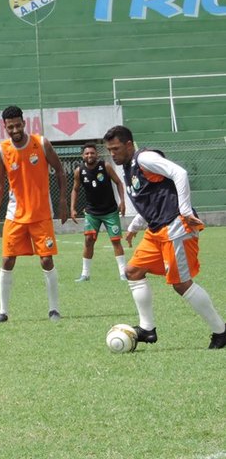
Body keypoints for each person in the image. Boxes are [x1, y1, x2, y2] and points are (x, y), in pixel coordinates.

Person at [103, 125, 226, 349]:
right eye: (109, 149)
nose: (112, 154)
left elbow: (180, 173)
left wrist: (186, 210)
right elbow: (151, 198)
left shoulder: (145, 158)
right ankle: (147, 329)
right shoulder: (129, 168)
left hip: (175, 226)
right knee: (133, 271)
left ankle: (221, 331)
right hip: (156, 230)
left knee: (181, 284)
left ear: (129, 145)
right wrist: (134, 225)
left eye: (116, 148)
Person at [0, 105, 68, 323]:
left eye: (18, 125)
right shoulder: (0, 150)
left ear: (24, 123)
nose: (15, 129)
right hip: (14, 215)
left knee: (46, 260)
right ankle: (3, 311)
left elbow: (60, 170)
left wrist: (62, 200)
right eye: (10, 126)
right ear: (4, 127)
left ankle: (54, 309)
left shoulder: (41, 143)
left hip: (41, 214)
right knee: (7, 260)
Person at [70, 142, 127, 282]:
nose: (90, 155)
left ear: (97, 154)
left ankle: (123, 273)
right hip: (91, 212)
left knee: (115, 241)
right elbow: (75, 189)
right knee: (89, 240)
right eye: (87, 153)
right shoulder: (79, 171)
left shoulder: (105, 166)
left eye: (92, 153)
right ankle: (85, 274)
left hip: (110, 211)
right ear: (83, 156)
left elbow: (119, 182)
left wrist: (123, 201)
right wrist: (72, 208)